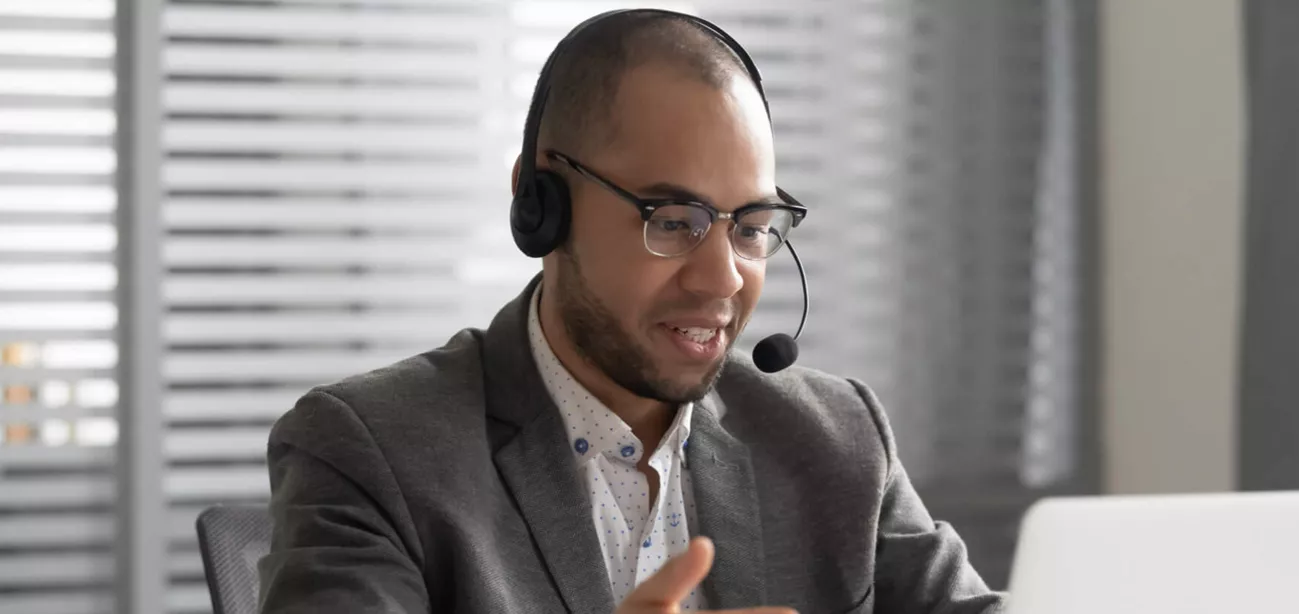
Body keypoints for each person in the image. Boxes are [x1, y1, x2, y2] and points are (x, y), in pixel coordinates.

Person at [258, 9, 1004, 614]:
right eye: (673, 219)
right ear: (542, 205)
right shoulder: (371, 450)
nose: (723, 278)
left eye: (749, 227)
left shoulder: (836, 442)